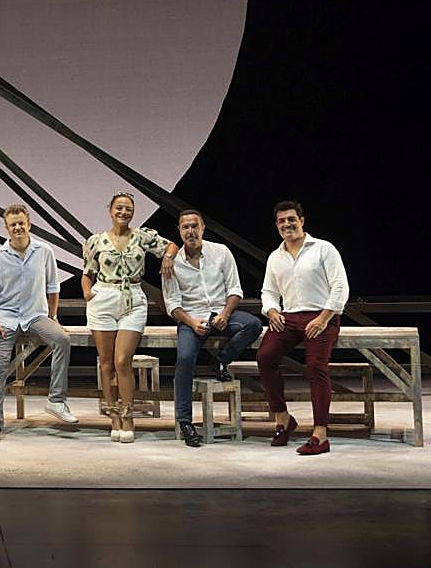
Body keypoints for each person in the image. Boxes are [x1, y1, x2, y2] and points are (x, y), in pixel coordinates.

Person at [81, 192, 178, 443]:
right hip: (104, 297)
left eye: (128, 209)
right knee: (106, 362)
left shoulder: (141, 236)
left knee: (123, 360)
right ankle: (113, 415)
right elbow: (88, 272)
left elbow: (170, 246)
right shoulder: (96, 241)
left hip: (133, 297)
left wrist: (167, 257)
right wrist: (88, 293)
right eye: (119, 208)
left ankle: (128, 414)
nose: (124, 212)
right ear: (110, 210)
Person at [162, 210, 263, 447]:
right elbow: (172, 304)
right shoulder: (171, 263)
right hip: (193, 319)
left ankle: (220, 361)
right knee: (184, 358)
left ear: (203, 228)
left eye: (194, 226)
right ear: (179, 231)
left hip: (221, 313)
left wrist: (225, 315)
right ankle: (185, 421)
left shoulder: (221, 252)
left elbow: (235, 289)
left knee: (253, 325)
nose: (190, 231)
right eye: (185, 227)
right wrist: (191, 323)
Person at [256, 200, 349, 455]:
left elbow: (340, 286)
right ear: (276, 225)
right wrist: (272, 310)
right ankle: (283, 418)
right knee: (265, 357)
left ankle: (320, 434)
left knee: (315, 367)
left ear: (302, 221)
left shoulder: (323, 249)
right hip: (289, 318)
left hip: (322, 315)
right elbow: (268, 291)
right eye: (281, 221)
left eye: (291, 219)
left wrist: (324, 318)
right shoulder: (276, 257)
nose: (287, 224)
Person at [0, 205, 78, 443]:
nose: (18, 227)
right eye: (13, 224)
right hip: (8, 316)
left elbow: (53, 288)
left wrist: (53, 317)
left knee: (62, 339)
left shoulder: (44, 251)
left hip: (36, 315)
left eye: (21, 223)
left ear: (29, 224)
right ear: (6, 229)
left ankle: (56, 400)